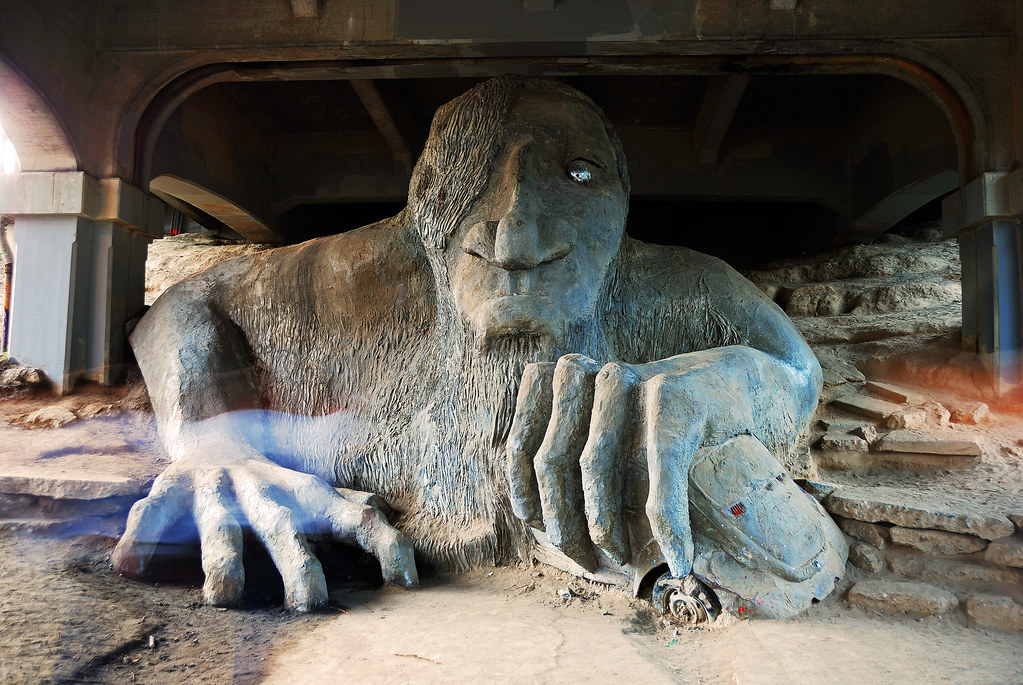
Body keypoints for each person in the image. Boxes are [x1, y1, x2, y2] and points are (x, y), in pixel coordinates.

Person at [113, 76, 844, 618]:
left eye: (576, 174)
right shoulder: (363, 274)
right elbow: (186, 304)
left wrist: (725, 384)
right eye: (468, 182)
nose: (514, 237)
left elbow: (795, 370)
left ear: (622, 201)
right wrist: (211, 443)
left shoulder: (675, 285)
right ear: (422, 205)